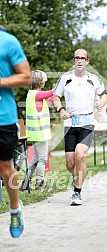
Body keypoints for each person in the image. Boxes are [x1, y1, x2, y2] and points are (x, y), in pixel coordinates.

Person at [53, 48, 107, 206]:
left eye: (83, 58)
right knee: (70, 164)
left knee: (80, 154)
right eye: (77, 57)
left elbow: (104, 95)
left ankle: (77, 193)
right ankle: (77, 178)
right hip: (70, 124)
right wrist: (61, 110)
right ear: (73, 60)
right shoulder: (65, 78)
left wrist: (101, 103)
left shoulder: (93, 79)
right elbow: (56, 96)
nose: (79, 60)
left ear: (87, 61)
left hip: (87, 123)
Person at [0, 26, 31, 238]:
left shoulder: (8, 41)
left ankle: (14, 209)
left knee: (5, 169)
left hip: (4, 118)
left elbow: (26, 76)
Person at [20, 70, 53, 191]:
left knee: (34, 159)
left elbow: (46, 101)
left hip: (34, 133)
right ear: (40, 82)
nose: (45, 82)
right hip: (40, 134)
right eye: (44, 80)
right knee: (42, 160)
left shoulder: (32, 95)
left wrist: (52, 97)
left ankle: (25, 184)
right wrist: (59, 87)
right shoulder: (36, 94)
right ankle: (40, 183)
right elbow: (51, 92)